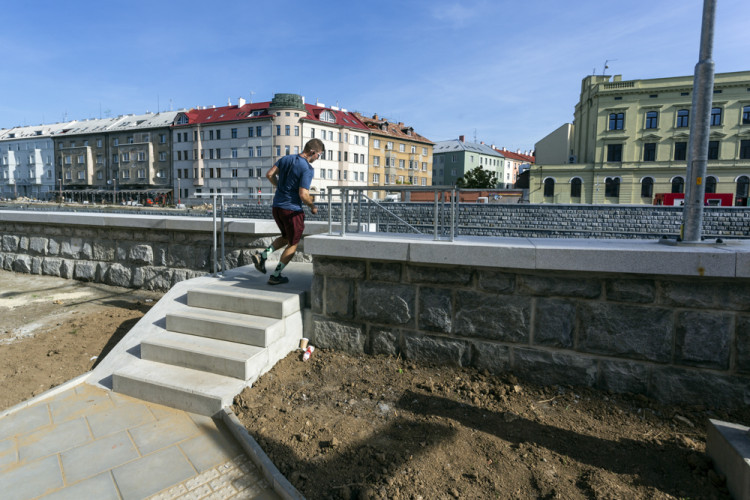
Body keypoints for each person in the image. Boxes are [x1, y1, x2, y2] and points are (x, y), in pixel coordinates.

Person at [252, 138, 322, 285]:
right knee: (293, 244)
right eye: (319, 155)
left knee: (285, 237)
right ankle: (276, 275)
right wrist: (312, 206)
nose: (317, 158)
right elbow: (303, 195)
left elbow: (269, 174)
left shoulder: (286, 159)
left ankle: (263, 256)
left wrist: (280, 188)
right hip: (292, 210)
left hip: (277, 207)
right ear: (312, 152)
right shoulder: (307, 169)